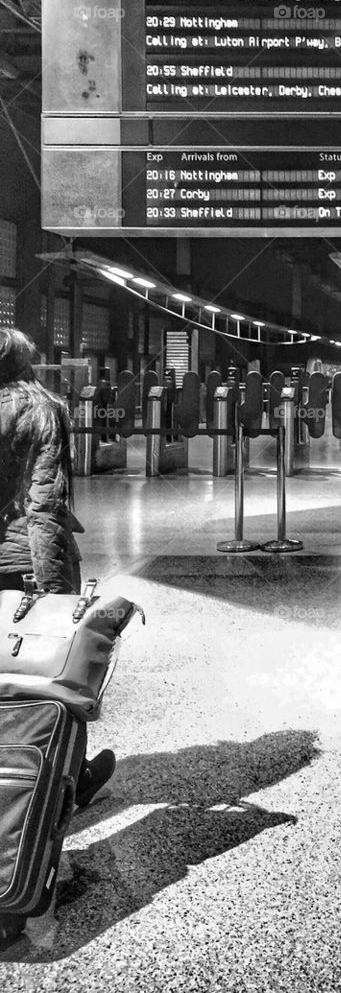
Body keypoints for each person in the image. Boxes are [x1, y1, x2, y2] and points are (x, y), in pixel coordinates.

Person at [0, 327, 115, 807]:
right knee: (52, 668)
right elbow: (43, 503)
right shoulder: (40, 408)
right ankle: (69, 778)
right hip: (23, 557)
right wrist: (52, 591)